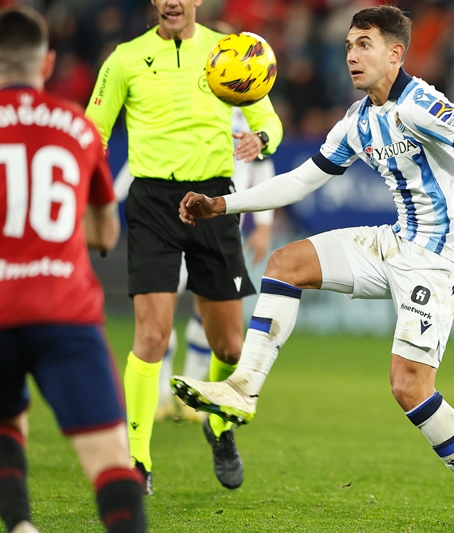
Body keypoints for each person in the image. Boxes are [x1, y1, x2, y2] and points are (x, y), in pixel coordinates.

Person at [174, 5, 454, 530]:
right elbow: (301, 180)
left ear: (396, 53)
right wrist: (223, 205)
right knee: (286, 262)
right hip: (397, 243)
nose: (352, 55)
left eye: (365, 45)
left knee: (409, 386)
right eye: (349, 45)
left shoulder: (421, 104)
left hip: (441, 262)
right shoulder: (359, 120)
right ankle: (244, 387)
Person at [85, 0, 283, 495]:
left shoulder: (230, 50)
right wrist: (90, 192)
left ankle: (215, 424)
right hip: (152, 203)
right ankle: (136, 462)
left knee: (230, 347)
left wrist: (261, 138)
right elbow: (92, 132)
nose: (172, 0)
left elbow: (270, 121)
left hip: (213, 201)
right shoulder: (125, 59)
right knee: (152, 336)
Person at [0, 6, 146, 533]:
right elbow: (106, 233)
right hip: (64, 312)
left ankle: (19, 523)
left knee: (7, 419)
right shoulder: (78, 129)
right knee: (109, 460)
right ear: (47, 64)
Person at [112, 106, 276, 423]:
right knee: (161, 310)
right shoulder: (185, 95)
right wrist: (112, 200)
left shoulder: (247, 100)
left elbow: (263, 162)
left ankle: (193, 392)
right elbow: (143, 155)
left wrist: (265, 224)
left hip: (223, 227)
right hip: (168, 223)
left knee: (214, 320)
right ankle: (161, 393)